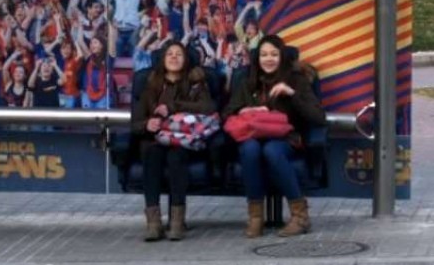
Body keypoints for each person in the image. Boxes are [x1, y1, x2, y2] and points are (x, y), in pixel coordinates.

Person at [223, 35, 326, 238]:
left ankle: (300, 217)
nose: (268, 59)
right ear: (257, 58)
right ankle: (255, 217)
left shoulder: (296, 79)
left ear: (282, 57)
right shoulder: (247, 81)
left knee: (271, 150)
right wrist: (246, 110)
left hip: (285, 138)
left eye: (273, 54)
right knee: (250, 149)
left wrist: (291, 94)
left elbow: (318, 117)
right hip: (252, 135)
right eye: (264, 55)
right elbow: (227, 113)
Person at [130, 42, 216, 241]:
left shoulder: (195, 81)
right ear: (163, 59)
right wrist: (147, 124)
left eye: (179, 54)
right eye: (170, 54)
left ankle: (177, 222)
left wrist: (173, 106)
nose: (174, 57)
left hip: (182, 140)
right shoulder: (150, 83)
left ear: (186, 59)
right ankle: (154, 223)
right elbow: (135, 123)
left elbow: (207, 107)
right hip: (155, 140)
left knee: (176, 156)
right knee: (152, 154)